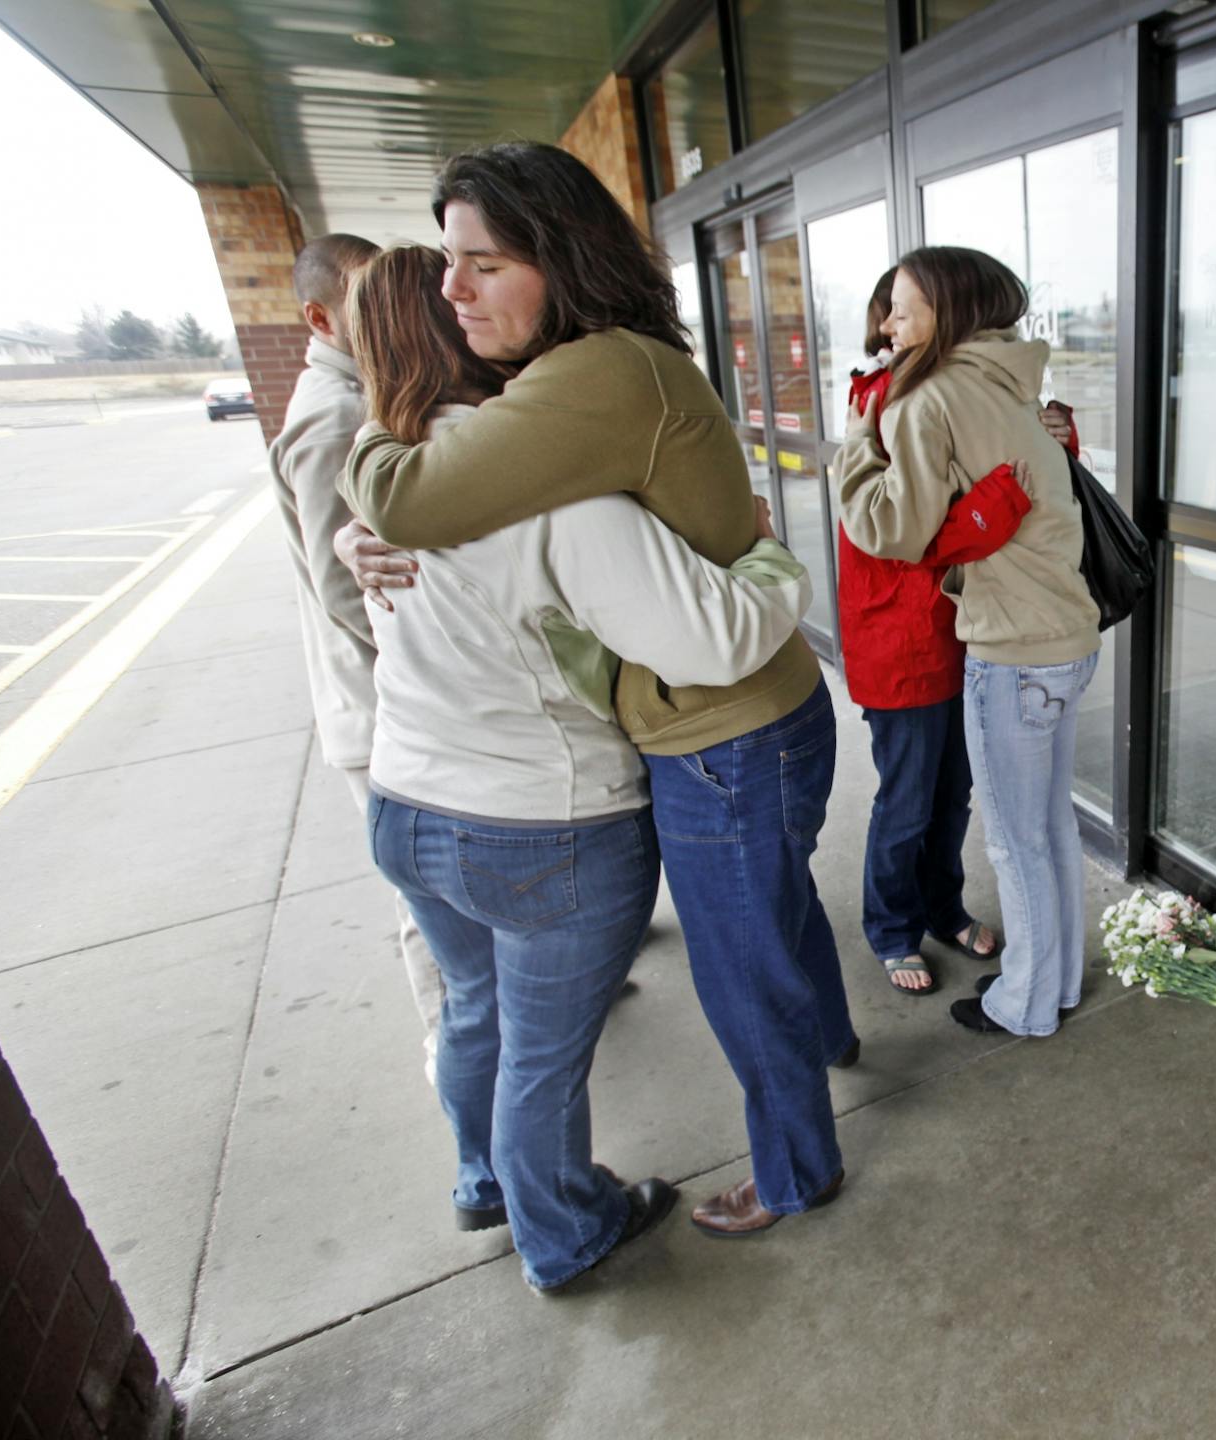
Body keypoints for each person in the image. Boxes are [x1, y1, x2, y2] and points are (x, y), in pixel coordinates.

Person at [336, 141, 852, 1238]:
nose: (452, 288)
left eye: (481, 263)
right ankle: (835, 1041)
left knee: (741, 971)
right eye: (446, 265)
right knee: (778, 916)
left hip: (723, 731)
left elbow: (419, 495)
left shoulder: (591, 376)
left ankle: (799, 1170)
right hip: (758, 715)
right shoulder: (611, 366)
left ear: (557, 258)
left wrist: (365, 459)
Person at [836, 247, 1102, 1039]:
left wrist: (853, 446)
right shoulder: (1013, 384)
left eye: (904, 303)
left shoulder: (927, 400)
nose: (889, 321)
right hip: (1065, 638)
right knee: (1048, 827)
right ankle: (1056, 984)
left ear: (944, 310)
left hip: (1007, 647)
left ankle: (1023, 1004)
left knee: (1016, 845)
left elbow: (890, 527)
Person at [267, 231, 448, 1084]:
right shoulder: (335, 416)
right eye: (365, 299)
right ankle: (459, 1075)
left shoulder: (370, 396)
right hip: (383, 718)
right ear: (321, 317)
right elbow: (346, 592)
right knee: (432, 906)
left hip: (404, 709)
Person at [837, 267, 1033, 997]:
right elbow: (902, 534)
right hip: (902, 634)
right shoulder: (886, 401)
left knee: (953, 793)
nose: (891, 326)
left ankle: (942, 907)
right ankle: (891, 927)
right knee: (909, 795)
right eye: (888, 312)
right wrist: (1000, 498)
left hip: (959, 628)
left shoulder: (956, 392)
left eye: (903, 311)